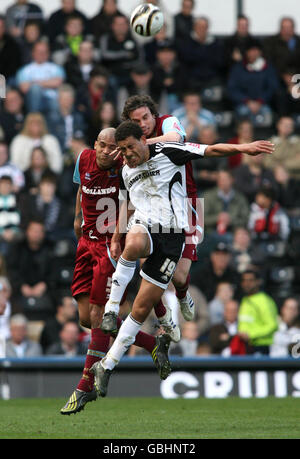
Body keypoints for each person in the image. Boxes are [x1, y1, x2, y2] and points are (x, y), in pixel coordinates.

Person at [91, 120, 274, 397]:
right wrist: (116, 236)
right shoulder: (127, 171)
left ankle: (107, 365)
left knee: (141, 310)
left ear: (143, 140)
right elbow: (128, 205)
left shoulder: (169, 151)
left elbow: (211, 150)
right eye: (123, 149)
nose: (127, 154)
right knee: (134, 242)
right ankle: (111, 309)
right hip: (145, 226)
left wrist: (243, 148)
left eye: (130, 147)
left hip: (172, 237)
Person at [60, 127, 176, 415]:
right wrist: (78, 220)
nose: (106, 152)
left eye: (113, 148)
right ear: (95, 144)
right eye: (102, 145)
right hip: (85, 242)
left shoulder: (124, 169)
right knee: (87, 318)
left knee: (100, 315)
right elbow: (80, 189)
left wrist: (117, 237)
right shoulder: (83, 159)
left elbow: (131, 201)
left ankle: (84, 387)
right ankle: (151, 343)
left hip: (110, 250)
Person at [119, 94, 202, 323]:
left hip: (187, 205)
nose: (143, 124)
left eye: (145, 117)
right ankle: (163, 316)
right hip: (151, 210)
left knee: (178, 276)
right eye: (136, 122)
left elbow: (177, 137)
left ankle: (183, 295)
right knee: (149, 267)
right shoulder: (128, 146)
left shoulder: (167, 121)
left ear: (153, 114)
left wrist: (143, 143)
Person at [227, 39, 279, 126]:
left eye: (256, 50)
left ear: (260, 52)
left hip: (263, 104)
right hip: (243, 104)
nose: (254, 53)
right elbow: (232, 88)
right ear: (246, 52)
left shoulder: (268, 68)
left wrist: (260, 101)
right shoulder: (238, 68)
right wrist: (247, 101)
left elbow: (272, 87)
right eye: (251, 50)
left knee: (267, 114)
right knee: (243, 112)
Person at [15, 41, 65, 117]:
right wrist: (47, 83)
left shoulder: (56, 68)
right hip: (32, 100)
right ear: (33, 53)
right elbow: (24, 88)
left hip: (52, 99)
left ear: (48, 53)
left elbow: (58, 82)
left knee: (54, 101)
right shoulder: (25, 70)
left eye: (44, 52)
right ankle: (34, 117)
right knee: (35, 89)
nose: (41, 54)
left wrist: (34, 82)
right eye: (39, 51)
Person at [237, 269, 279, 355]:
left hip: (261, 346)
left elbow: (272, 325)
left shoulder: (264, 301)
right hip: (245, 346)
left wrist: (251, 335)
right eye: (244, 280)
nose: (247, 284)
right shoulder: (245, 300)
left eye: (250, 280)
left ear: (258, 282)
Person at [203, 168, 249, 237]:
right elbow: (200, 219)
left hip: (234, 233)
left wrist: (230, 220)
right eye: (220, 179)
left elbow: (245, 219)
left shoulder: (240, 198)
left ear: (232, 180)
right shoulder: (208, 196)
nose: (222, 182)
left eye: (225, 179)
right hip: (211, 233)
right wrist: (217, 218)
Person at [99, 14, 140, 90]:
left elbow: (138, 58)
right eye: (118, 24)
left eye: (123, 24)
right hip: (111, 74)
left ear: (127, 26)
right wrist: (124, 54)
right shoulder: (106, 38)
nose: (121, 27)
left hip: (130, 74)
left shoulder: (133, 40)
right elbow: (104, 55)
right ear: (112, 26)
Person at [46, 83, 86, 154]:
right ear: (58, 100)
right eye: (64, 99)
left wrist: (77, 142)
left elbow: (81, 134)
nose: (66, 101)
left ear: (73, 100)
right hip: (59, 150)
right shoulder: (51, 118)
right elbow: (52, 139)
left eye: (69, 98)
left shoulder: (78, 117)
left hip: (75, 149)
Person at [0, 15, 22, 80]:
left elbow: (13, 66)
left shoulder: (12, 44)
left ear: (4, 29)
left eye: (1, 27)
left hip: (6, 79)